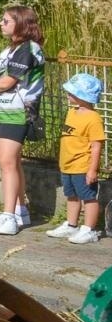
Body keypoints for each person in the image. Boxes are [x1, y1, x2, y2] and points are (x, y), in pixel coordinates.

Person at [0, 5, 45, 236]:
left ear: (21, 23)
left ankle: (9, 216)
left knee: (7, 161)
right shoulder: (8, 50)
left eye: (5, 21)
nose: (1, 24)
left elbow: (7, 82)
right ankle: (19, 209)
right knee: (11, 162)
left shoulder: (29, 49)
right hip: (1, 112)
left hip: (18, 114)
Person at [48, 73, 104, 245]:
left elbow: (96, 146)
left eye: (71, 93)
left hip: (82, 166)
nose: (68, 95)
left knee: (88, 197)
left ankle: (89, 229)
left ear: (82, 96)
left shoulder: (93, 119)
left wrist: (92, 169)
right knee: (71, 195)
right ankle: (72, 225)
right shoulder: (71, 112)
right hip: (67, 165)